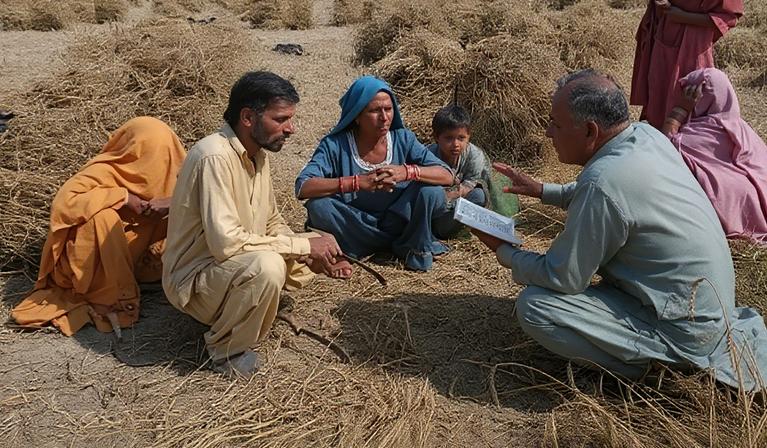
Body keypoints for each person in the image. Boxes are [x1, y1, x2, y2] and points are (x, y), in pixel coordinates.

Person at [474, 69, 767, 391]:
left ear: (590, 132)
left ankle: (660, 372)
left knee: (535, 307)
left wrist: (504, 250)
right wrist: (543, 191)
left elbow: (563, 277)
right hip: (706, 312)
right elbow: (612, 196)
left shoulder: (603, 184)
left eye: (556, 124)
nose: (549, 133)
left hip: (682, 331)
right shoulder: (646, 138)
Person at [162, 71, 351, 378]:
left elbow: (272, 221)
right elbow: (226, 243)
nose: (290, 129)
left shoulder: (257, 156)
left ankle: (247, 304)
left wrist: (313, 253)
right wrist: (302, 246)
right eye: (281, 119)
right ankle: (226, 350)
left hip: (227, 268)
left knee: (303, 247)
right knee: (268, 267)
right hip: (195, 280)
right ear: (248, 117)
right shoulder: (214, 157)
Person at [12, 117, 186, 335]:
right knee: (102, 219)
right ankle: (107, 296)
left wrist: (171, 204)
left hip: (136, 260)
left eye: (162, 154)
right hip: (85, 268)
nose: (154, 163)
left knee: (187, 211)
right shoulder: (106, 170)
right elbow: (64, 204)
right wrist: (122, 197)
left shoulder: (176, 173)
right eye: (146, 153)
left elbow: (210, 200)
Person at [295, 76, 455, 271]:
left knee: (432, 192)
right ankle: (350, 250)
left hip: (400, 221)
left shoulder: (403, 139)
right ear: (356, 115)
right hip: (355, 224)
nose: (384, 117)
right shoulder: (335, 145)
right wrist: (357, 182)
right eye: (374, 111)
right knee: (319, 207)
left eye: (388, 109)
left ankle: (411, 245)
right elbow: (303, 187)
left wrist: (407, 172)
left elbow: (447, 175)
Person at [662, 68, 767, 245]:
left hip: (739, 214)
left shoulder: (697, 134)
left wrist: (678, 111)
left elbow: (663, 147)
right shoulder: (741, 127)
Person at [630, 0, 743, 129]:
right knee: (658, 94)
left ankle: (680, 142)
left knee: (689, 96)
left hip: (694, 46)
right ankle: (659, 140)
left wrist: (683, 16)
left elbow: (727, 18)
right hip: (665, 35)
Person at [426, 104, 492, 239]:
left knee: (479, 195)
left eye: (461, 138)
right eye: (449, 138)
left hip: (457, 207)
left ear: (469, 137)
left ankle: (448, 229)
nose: (456, 144)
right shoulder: (427, 155)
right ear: (437, 137)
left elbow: (471, 184)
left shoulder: (475, 155)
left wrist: (450, 195)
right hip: (434, 211)